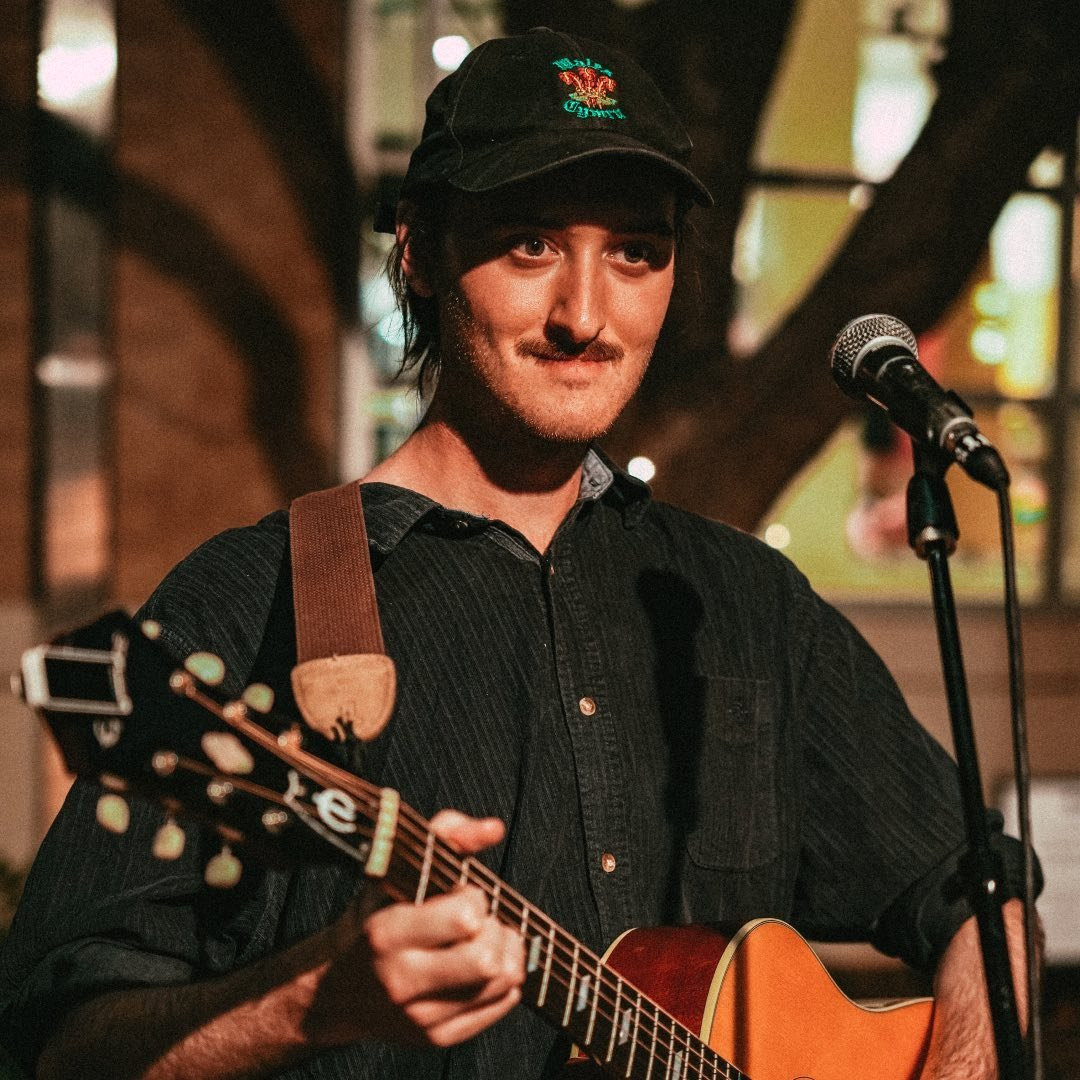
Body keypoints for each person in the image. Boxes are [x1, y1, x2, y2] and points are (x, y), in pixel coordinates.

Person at [0, 26, 1035, 1080]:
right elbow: (57, 1046)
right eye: (531, 243)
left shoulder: (740, 602)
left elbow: (986, 901)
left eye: (635, 251)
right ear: (417, 247)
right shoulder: (253, 600)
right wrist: (311, 1002)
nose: (586, 315)